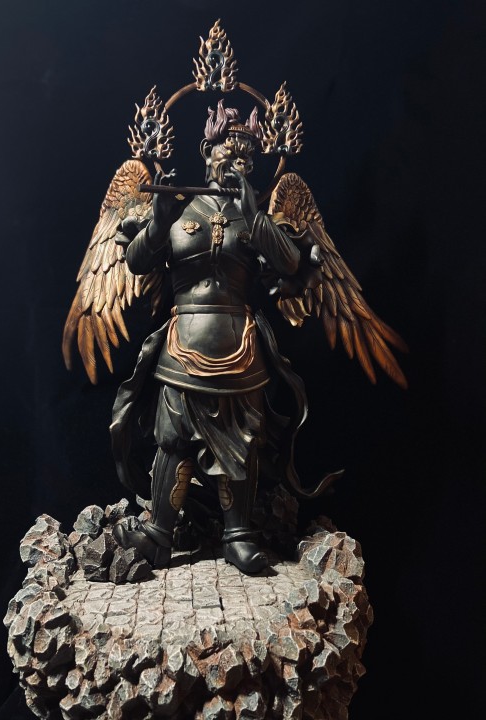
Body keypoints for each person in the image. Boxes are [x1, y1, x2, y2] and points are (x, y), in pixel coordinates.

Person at [110, 101, 327, 573]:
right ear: (207, 153)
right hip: (182, 342)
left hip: (239, 343)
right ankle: (159, 534)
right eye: (229, 153)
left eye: (248, 158)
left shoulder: (253, 217)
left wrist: (256, 217)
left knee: (240, 441)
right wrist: (159, 220)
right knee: (174, 440)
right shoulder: (180, 206)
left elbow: (291, 264)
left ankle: (238, 536)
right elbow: (138, 262)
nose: (238, 163)